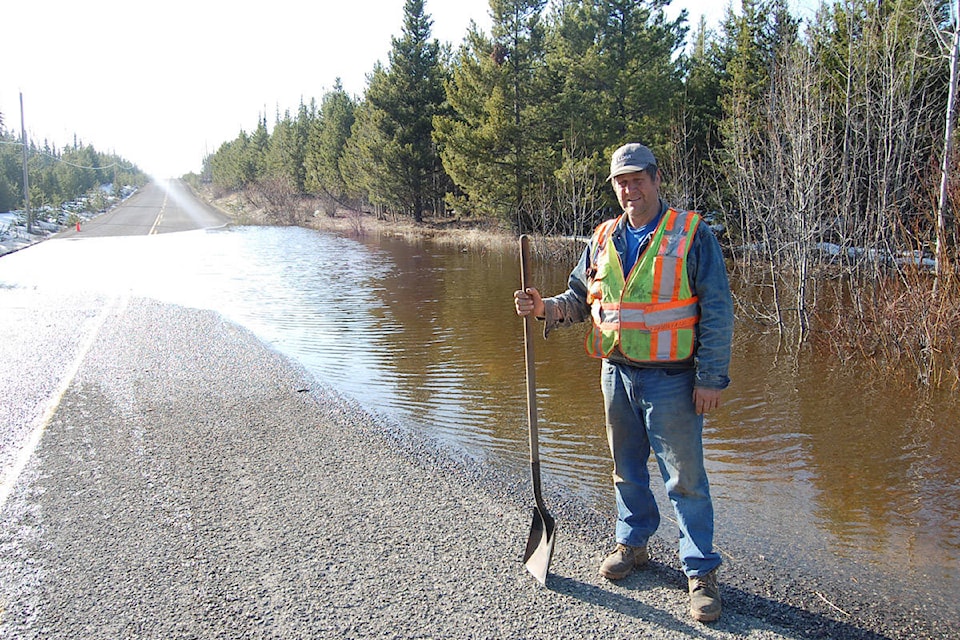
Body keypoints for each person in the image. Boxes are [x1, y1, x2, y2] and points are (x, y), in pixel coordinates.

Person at [514, 142, 734, 623]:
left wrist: (712, 378)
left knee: (686, 480)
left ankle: (700, 573)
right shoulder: (604, 236)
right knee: (625, 468)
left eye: (637, 178)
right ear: (614, 187)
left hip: (673, 380)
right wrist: (543, 308)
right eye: (621, 181)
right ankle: (634, 545)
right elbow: (579, 297)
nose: (629, 188)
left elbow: (717, 309)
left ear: (656, 180)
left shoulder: (692, 234)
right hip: (616, 373)